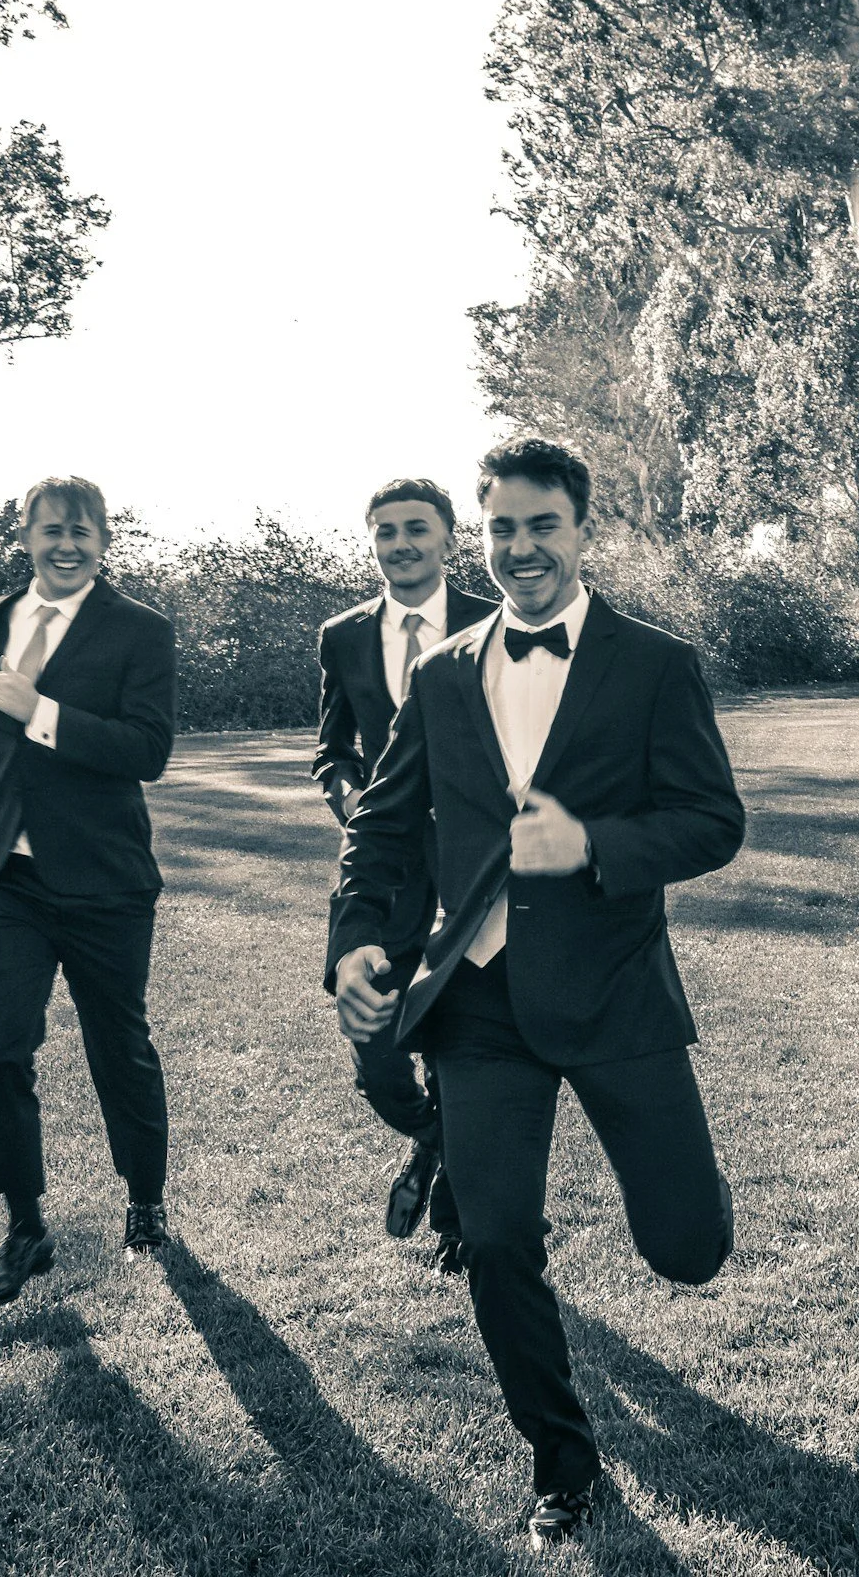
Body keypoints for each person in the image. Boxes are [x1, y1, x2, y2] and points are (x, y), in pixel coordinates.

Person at [328, 437, 743, 1549]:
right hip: (477, 1003)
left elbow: (714, 823)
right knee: (501, 1237)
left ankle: (686, 1214)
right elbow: (378, 828)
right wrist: (356, 945)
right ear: (485, 537)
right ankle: (562, 1461)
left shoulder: (656, 664)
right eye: (502, 529)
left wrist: (591, 844)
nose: (521, 549)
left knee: (688, 1248)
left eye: (541, 526)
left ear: (581, 530)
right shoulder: (445, 672)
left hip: (612, 996)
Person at [0, 476, 179, 1307]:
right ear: (25, 535)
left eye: (81, 530)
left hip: (105, 882)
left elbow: (147, 749)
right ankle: (25, 1229)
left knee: (120, 1049)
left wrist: (41, 711)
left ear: (103, 538)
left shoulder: (140, 629)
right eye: (50, 529)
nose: (66, 543)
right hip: (7, 879)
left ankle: (144, 1201)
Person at [312, 477, 496, 1268]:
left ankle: (461, 1220)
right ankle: (432, 1144)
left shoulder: (498, 627)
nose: (401, 544)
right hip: (381, 871)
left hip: (471, 872)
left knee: (459, 1042)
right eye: (385, 531)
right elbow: (332, 749)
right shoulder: (343, 636)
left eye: (417, 528)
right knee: (378, 1059)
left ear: (450, 538)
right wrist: (352, 799)